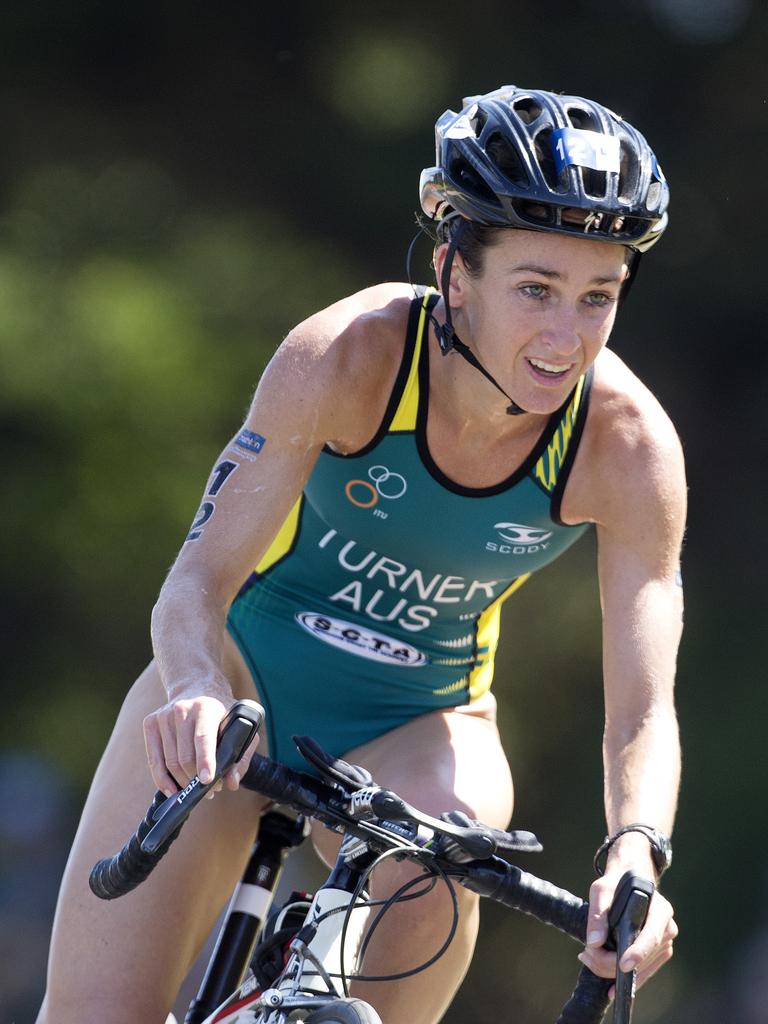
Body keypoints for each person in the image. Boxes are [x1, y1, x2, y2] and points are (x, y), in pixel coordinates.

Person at [37, 84, 684, 1024]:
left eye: (599, 298)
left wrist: (636, 851)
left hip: (425, 724)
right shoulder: (348, 357)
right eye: (536, 290)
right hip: (239, 688)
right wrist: (192, 692)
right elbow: (194, 587)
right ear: (455, 271)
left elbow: (643, 710)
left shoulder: (626, 447)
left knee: (450, 847)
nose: (566, 337)